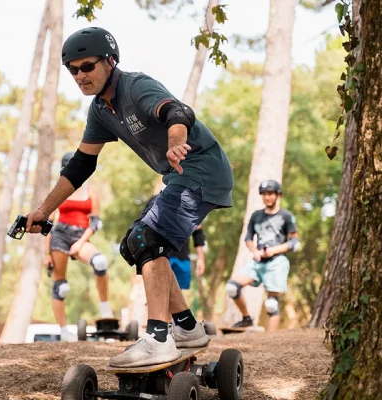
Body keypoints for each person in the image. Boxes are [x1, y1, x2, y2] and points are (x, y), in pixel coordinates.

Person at [25, 27, 234, 368]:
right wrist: (43, 210)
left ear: (110, 61)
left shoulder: (135, 86)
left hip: (200, 170)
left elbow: (177, 112)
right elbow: (80, 165)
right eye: (72, 69)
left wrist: (174, 143)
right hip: (180, 176)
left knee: (149, 239)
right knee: (134, 244)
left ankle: (158, 338)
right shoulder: (100, 111)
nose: (80, 75)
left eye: (87, 66)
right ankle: (187, 328)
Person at [43, 152, 113, 343]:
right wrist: (47, 253)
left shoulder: (91, 192)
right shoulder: (59, 190)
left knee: (100, 262)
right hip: (60, 235)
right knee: (61, 287)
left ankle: (105, 307)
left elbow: (95, 223)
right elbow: (47, 226)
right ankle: (64, 330)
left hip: (81, 235)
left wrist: (80, 243)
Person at [226, 180, 301, 332]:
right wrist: (254, 251)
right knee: (232, 287)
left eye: (270, 194)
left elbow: (295, 242)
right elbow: (248, 238)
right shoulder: (256, 215)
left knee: (271, 304)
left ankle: (271, 338)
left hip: (277, 261)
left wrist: (274, 250)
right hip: (258, 261)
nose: (267, 197)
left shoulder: (286, 216)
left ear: (278, 195)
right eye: (264, 194)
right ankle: (247, 319)